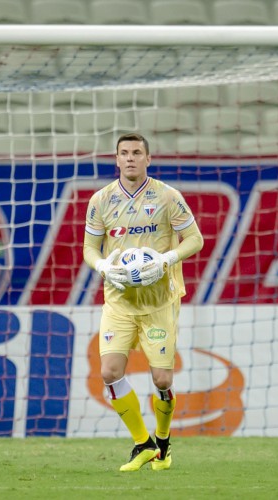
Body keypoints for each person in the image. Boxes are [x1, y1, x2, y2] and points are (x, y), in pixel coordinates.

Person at [82, 132, 204, 472]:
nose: (131, 158)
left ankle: (163, 442)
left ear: (148, 159)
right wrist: (104, 265)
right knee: (108, 371)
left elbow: (195, 239)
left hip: (159, 302)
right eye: (124, 153)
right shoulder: (101, 200)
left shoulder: (167, 196)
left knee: (162, 380)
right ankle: (142, 444)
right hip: (119, 302)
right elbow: (89, 249)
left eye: (137, 152)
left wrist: (166, 260)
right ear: (117, 159)